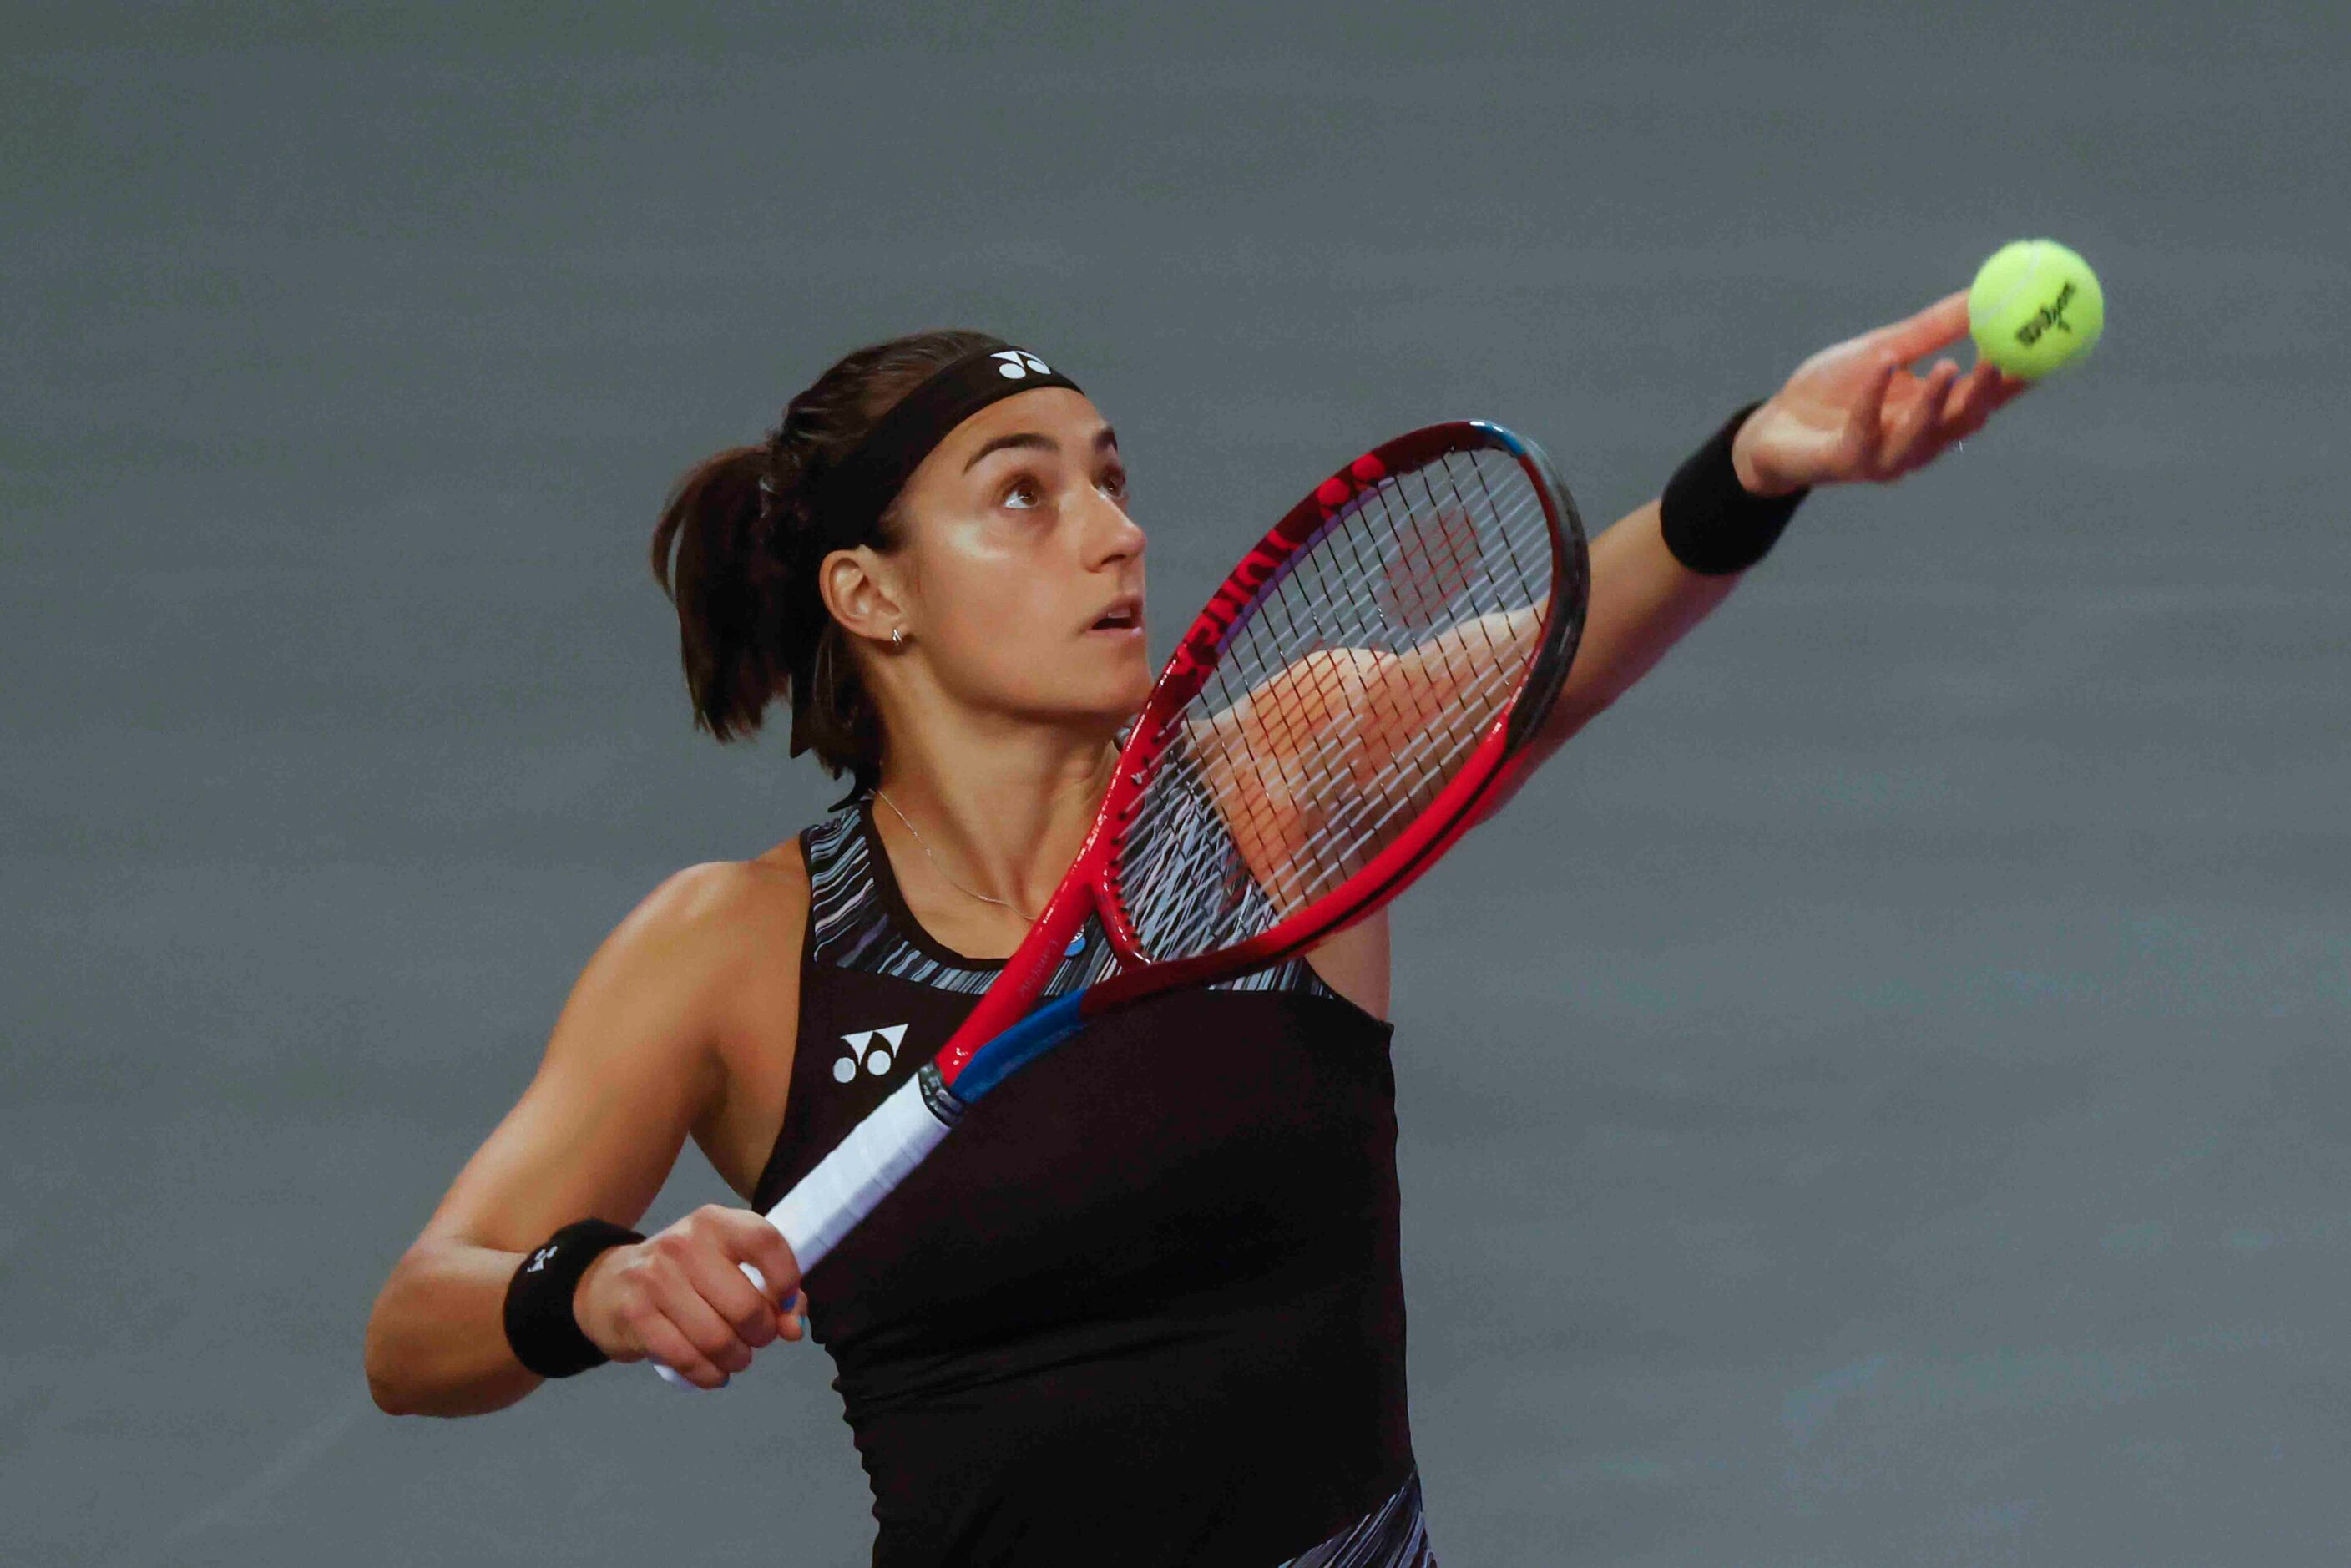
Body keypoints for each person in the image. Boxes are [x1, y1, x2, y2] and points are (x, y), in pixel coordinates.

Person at [364, 305, 2025, 1565]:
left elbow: (1548, 657)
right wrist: (597, 1291)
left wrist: (1751, 468)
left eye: (1109, 479)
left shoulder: (1271, 785)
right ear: (873, 598)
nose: (1113, 531)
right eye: (1021, 497)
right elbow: (416, 1330)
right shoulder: (730, 949)